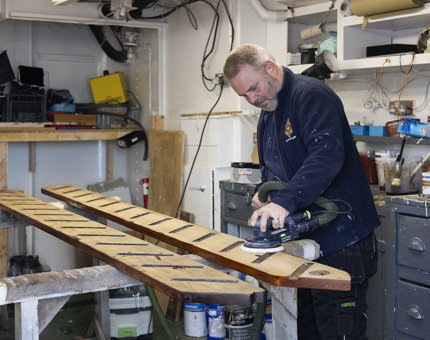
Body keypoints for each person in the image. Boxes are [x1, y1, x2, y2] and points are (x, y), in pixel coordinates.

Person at [223, 44, 379, 340]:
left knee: (338, 331)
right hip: (306, 242)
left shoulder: (311, 95)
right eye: (244, 95)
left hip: (341, 240)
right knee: (306, 328)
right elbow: (275, 169)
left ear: (270, 67)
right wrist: (265, 192)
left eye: (253, 88)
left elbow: (326, 155)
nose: (252, 99)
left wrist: (283, 203)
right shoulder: (269, 108)